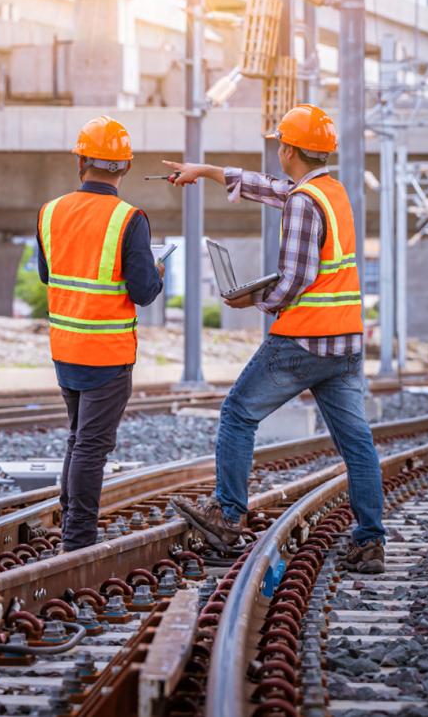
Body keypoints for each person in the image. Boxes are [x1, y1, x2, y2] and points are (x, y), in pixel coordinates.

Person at [161, 103, 387, 574]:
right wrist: (205, 171)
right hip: (344, 344)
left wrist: (255, 301)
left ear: (287, 149)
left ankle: (227, 515)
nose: (277, 152)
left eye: (279, 144)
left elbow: (296, 278)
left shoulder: (305, 203)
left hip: (303, 341)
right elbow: (275, 190)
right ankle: (370, 541)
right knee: (357, 444)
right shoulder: (331, 192)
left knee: (238, 413)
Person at [37, 116, 165, 552]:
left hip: (65, 349)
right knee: (91, 447)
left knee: (78, 439)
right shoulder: (129, 219)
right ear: (124, 168)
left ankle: (71, 524)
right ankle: (77, 542)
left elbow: (46, 274)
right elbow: (144, 292)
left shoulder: (50, 212)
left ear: (81, 163)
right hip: (106, 354)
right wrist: (157, 269)